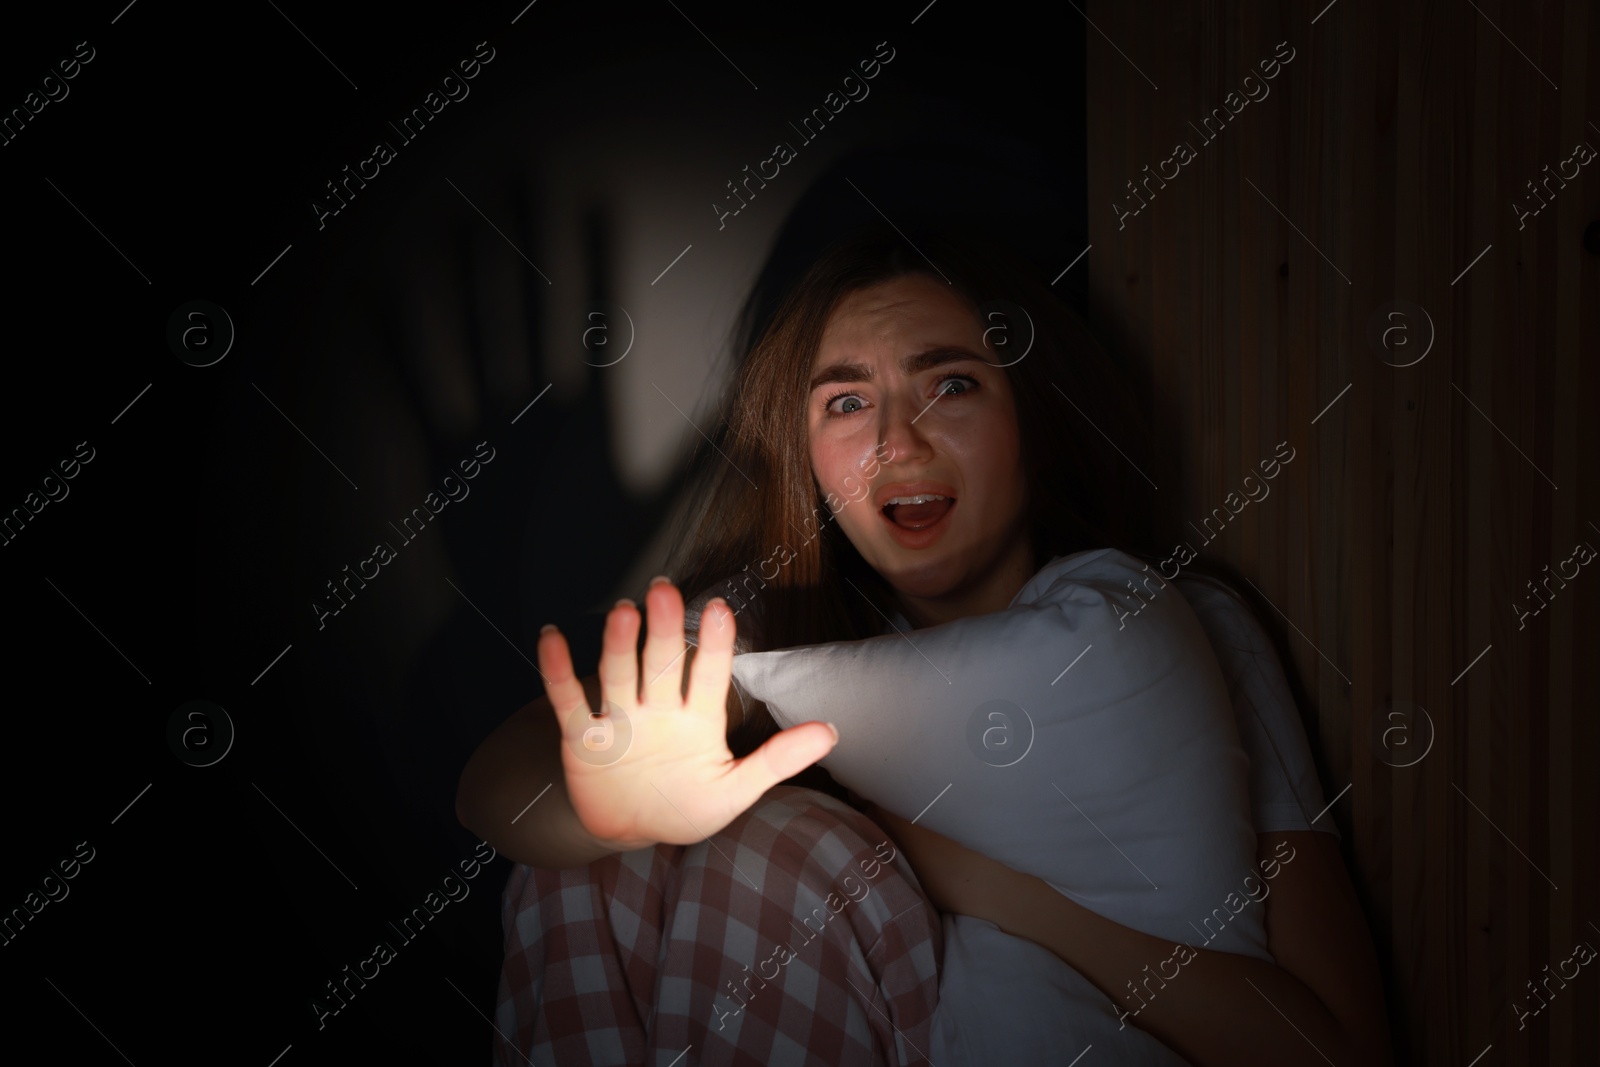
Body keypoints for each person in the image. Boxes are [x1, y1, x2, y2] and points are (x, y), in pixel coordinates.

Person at [455, 224, 1394, 1066]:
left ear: (1032, 417)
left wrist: (959, 869)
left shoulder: (1182, 630)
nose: (898, 441)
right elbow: (496, 783)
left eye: (951, 384)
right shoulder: (775, 631)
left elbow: (1333, 1046)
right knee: (582, 868)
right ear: (808, 457)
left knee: (779, 842)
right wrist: (611, 807)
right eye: (847, 404)